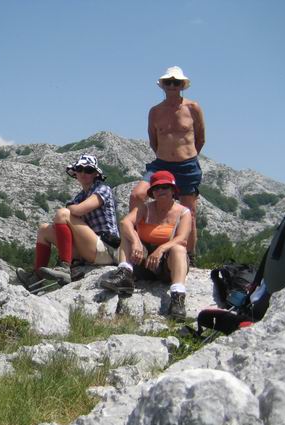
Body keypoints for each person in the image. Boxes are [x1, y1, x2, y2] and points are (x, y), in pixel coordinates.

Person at [130, 66, 205, 261]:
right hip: (161, 164)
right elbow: (153, 140)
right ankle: (135, 243)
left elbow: (201, 138)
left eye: (176, 82)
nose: (172, 85)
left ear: (182, 85)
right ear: (163, 85)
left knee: (190, 212)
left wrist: (186, 156)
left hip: (187, 166)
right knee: (137, 194)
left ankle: (189, 256)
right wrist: (167, 155)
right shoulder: (155, 112)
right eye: (168, 82)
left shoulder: (193, 108)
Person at [16, 154, 120, 289]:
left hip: (106, 248)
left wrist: (69, 208)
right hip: (89, 248)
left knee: (62, 214)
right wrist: (70, 208)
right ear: (75, 173)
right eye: (80, 169)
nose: (83, 173)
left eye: (88, 170)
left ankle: (64, 267)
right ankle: (36, 278)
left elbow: (78, 211)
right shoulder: (80, 196)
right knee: (43, 230)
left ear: (95, 174)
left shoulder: (103, 189)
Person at [102, 170, 192, 321]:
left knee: (179, 249)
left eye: (164, 187)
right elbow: (125, 223)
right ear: (152, 192)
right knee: (128, 235)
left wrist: (161, 249)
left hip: (167, 265)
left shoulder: (183, 212)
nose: (160, 191)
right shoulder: (145, 208)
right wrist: (136, 241)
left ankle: (177, 298)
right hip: (143, 261)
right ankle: (124, 274)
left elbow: (182, 238)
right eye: (156, 188)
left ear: (173, 190)